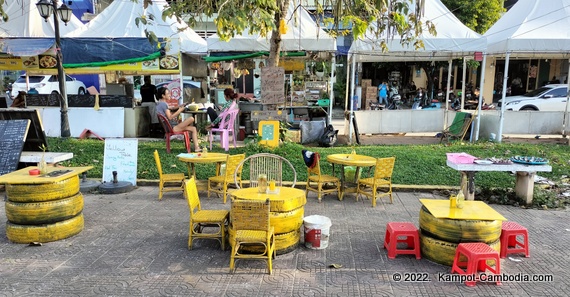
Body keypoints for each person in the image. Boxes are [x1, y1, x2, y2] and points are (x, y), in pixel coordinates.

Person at [155, 87, 201, 152]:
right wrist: (180, 110)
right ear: (163, 95)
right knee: (191, 118)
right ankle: (194, 145)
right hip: (173, 128)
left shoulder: (160, 104)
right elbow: (170, 117)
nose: (169, 95)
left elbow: (172, 109)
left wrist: (181, 105)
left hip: (169, 127)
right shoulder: (163, 104)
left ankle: (197, 148)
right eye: (168, 93)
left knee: (193, 129)